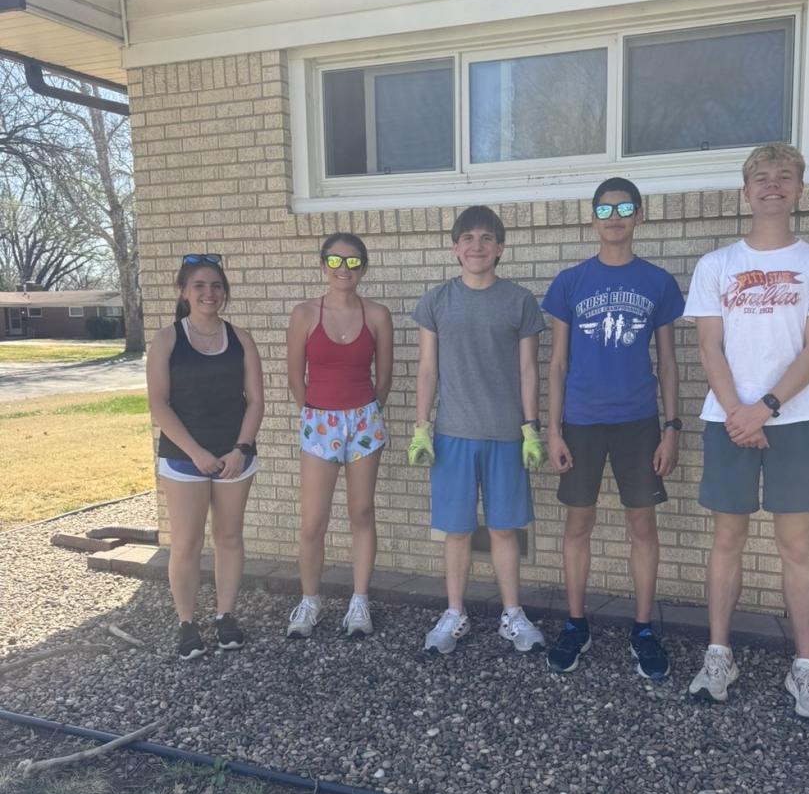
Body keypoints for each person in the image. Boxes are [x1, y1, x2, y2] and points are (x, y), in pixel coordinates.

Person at [684, 142, 809, 720]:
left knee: (796, 545)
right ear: (745, 192)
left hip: (793, 421)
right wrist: (739, 412)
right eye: (761, 177)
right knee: (726, 540)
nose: (772, 184)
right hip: (727, 419)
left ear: (800, 190)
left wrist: (767, 409)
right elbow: (709, 347)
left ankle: (805, 666)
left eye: (784, 176)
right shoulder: (716, 265)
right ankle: (718, 656)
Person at [543, 177, 685, 678]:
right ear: (593, 218)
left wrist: (672, 428)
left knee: (642, 527)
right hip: (581, 422)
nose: (615, 217)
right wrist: (553, 430)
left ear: (640, 216)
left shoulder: (657, 282)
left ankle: (642, 628)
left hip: (638, 423)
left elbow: (668, 363)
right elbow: (557, 363)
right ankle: (575, 624)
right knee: (577, 525)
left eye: (625, 208)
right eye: (605, 209)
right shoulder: (570, 282)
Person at [409, 205, 547, 655]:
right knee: (457, 531)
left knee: (505, 530)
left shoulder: (519, 301)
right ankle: (454, 613)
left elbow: (528, 370)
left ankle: (512, 614)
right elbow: (427, 370)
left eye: (487, 238)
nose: (477, 246)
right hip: (452, 434)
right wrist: (421, 426)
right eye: (467, 238)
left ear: (500, 247)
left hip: (507, 435)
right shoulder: (436, 301)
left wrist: (531, 428)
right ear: (455, 248)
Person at [146, 254, 264, 661]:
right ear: (184, 291)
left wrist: (241, 449)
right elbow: (159, 404)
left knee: (229, 537)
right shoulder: (167, 340)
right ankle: (187, 624)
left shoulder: (241, 339)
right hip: (184, 460)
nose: (208, 293)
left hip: (235, 457)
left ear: (224, 292)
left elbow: (255, 401)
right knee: (186, 543)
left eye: (216, 285)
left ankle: (226, 616)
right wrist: (196, 452)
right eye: (199, 285)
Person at [285, 233, 393, 640]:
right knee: (314, 520)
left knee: (361, 512)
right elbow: (295, 377)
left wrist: (363, 411)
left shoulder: (377, 315)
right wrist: (317, 413)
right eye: (334, 261)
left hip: (364, 421)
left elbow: (384, 378)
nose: (343, 269)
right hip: (320, 422)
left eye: (352, 262)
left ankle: (359, 601)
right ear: (322, 265)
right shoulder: (304, 314)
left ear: (363, 267)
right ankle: (310, 601)